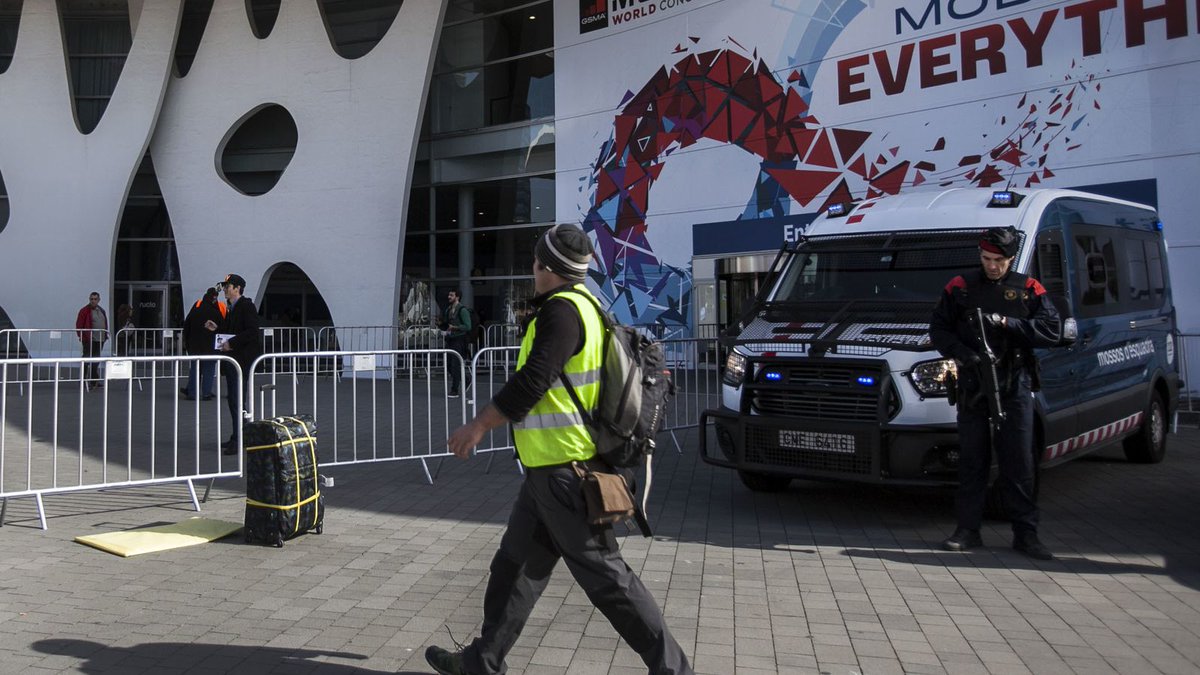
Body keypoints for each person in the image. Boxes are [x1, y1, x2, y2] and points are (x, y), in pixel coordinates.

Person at [426, 224, 692, 675]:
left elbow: (534, 381)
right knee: (514, 567)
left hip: (566, 474)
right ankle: (482, 661)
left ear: (548, 268)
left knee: (608, 579)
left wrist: (478, 425)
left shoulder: (563, 313)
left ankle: (673, 669)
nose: (532, 270)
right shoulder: (586, 305)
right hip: (547, 473)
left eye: (535, 263)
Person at [929, 226, 1063, 560]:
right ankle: (968, 530)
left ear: (1011, 258)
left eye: (999, 260)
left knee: (1019, 461)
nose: (992, 266)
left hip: (1013, 382)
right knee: (973, 461)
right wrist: (963, 353)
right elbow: (938, 328)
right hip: (974, 384)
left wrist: (1006, 323)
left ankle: (1026, 534)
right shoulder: (960, 287)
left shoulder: (1028, 289)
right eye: (987, 259)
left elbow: (1051, 330)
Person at [205, 274, 261, 454]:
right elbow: (232, 332)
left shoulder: (246, 306)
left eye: (228, 286)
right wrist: (218, 329)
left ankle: (240, 438)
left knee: (237, 400)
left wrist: (233, 343)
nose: (225, 289)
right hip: (233, 360)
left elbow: (252, 331)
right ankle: (238, 436)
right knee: (233, 400)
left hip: (241, 361)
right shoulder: (232, 307)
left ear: (237, 288)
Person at [182, 287, 226, 401]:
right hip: (211, 346)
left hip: (195, 345)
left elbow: (187, 324)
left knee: (195, 369)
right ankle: (206, 393)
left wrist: (186, 341)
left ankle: (192, 392)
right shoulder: (218, 309)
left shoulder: (197, 307)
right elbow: (223, 326)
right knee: (209, 369)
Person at [441, 288, 472, 398]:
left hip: (459, 340)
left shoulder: (462, 310)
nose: (449, 297)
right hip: (450, 339)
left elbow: (468, 326)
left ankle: (454, 390)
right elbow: (446, 323)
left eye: (452, 295)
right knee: (448, 365)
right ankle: (467, 379)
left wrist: (455, 327)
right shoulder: (448, 309)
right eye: (449, 295)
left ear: (457, 297)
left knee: (455, 365)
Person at [75, 291, 108, 389]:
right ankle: (83, 380)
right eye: (91, 299)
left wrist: (105, 335)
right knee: (86, 358)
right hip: (89, 339)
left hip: (100, 339)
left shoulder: (101, 310)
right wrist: (82, 336)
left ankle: (94, 380)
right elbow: (79, 324)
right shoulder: (85, 311)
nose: (93, 301)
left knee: (96, 359)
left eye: (95, 299)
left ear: (98, 300)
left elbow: (105, 322)